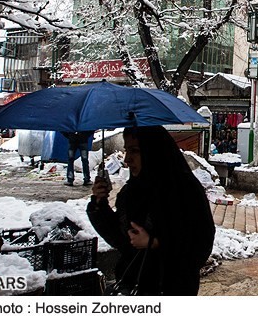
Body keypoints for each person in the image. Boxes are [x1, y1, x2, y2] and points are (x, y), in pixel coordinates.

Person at [87, 126, 215, 295]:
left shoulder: (185, 191)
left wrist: (155, 243)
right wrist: (99, 203)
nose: (127, 159)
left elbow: (200, 245)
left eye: (134, 151)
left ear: (154, 152)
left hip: (171, 288)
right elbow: (121, 239)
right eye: (127, 150)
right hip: (132, 285)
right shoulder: (132, 191)